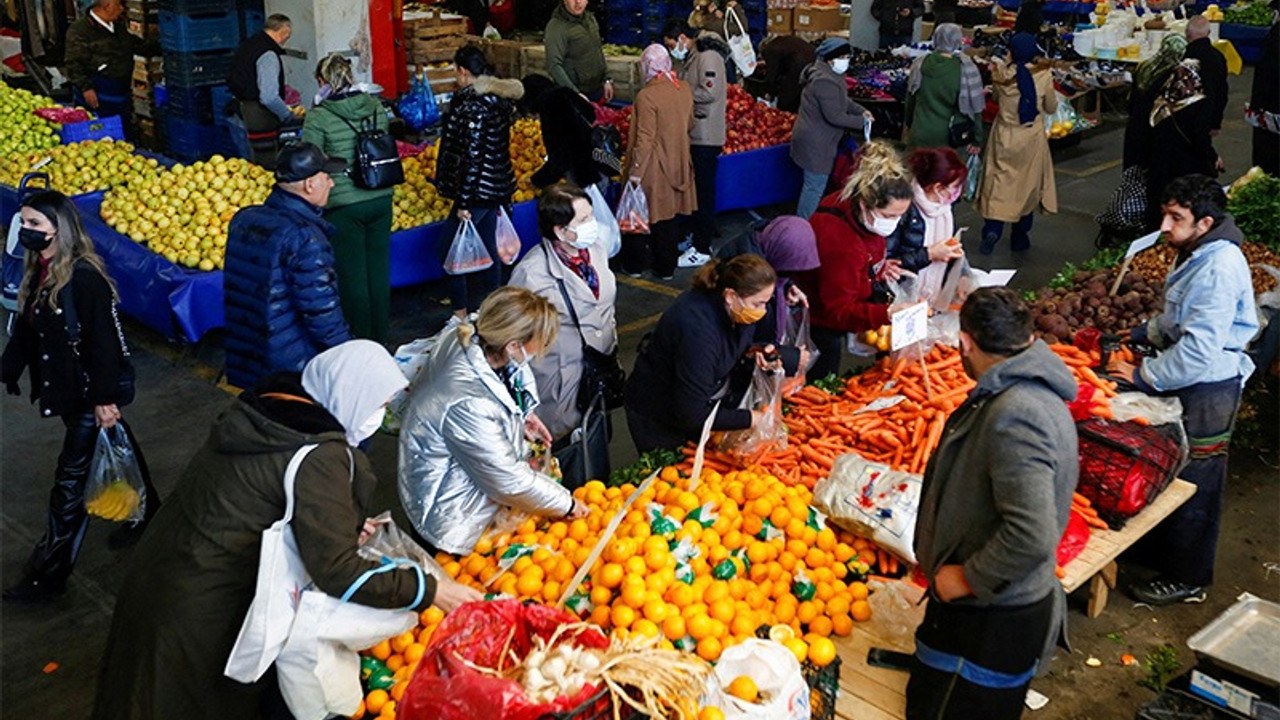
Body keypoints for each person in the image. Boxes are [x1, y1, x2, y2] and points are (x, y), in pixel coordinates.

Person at [91, 340, 480, 720]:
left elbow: (262, 495)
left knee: (139, 689)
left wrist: (338, 522)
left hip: (163, 569)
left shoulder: (270, 414)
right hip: (205, 603)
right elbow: (337, 571)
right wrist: (430, 590)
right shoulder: (321, 456)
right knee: (182, 698)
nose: (378, 416)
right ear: (351, 394)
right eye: (378, 404)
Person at [908, 287, 1078, 720]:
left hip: (989, 617)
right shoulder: (1024, 390)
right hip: (982, 609)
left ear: (965, 342)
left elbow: (1032, 532)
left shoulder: (1016, 412)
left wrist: (966, 578)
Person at [1, 190, 161, 603]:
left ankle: (48, 575)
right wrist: (9, 368)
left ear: (60, 229)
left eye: (35, 223)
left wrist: (104, 401)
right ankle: (152, 514)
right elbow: (26, 326)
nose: (27, 231)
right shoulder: (41, 269)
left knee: (68, 487)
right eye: (24, 223)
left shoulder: (85, 280)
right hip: (72, 391)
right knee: (118, 444)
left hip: (90, 395)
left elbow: (105, 346)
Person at [1107, 175, 1258, 606]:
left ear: (1205, 222)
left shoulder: (1218, 267)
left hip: (1210, 387)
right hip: (1192, 377)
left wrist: (1142, 376)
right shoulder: (1195, 250)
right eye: (1165, 214)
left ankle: (1187, 577)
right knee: (1169, 470)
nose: (1165, 225)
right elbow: (1180, 320)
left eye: (1177, 217)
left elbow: (1197, 349)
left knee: (1197, 481)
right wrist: (1145, 331)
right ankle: (1158, 551)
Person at [399, 286, 587, 555]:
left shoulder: (468, 336)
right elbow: (507, 479)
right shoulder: (470, 402)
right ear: (512, 345)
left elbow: (504, 383)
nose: (541, 349)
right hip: (450, 514)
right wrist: (566, 504)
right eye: (539, 343)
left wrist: (522, 416)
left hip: (449, 477)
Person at [625, 254, 789, 453]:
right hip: (659, 411)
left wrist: (756, 351)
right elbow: (693, 414)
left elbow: (737, 342)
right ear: (730, 296)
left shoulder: (735, 309)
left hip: (695, 400)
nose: (763, 311)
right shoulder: (698, 331)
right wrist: (752, 418)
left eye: (766, 302)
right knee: (670, 472)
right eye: (758, 304)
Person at [224, 143, 353, 391]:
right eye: (327, 177)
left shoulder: (244, 218)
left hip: (248, 352)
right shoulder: (305, 237)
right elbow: (321, 311)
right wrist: (347, 354)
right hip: (290, 363)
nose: (332, 184)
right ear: (309, 184)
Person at [509, 183, 618, 443]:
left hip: (598, 376)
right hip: (558, 388)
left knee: (597, 447)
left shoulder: (596, 251)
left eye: (590, 215)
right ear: (561, 230)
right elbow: (513, 344)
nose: (593, 223)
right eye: (584, 219)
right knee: (566, 459)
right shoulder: (531, 275)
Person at [796, 140, 914, 379]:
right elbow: (837, 311)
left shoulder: (855, 205)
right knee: (821, 378)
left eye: (900, 216)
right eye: (889, 215)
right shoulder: (841, 243)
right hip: (818, 320)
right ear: (865, 204)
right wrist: (887, 314)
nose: (894, 223)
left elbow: (865, 255)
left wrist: (876, 269)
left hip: (838, 297)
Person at [302, 53, 395, 343]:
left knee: (353, 277)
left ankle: (360, 341)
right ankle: (382, 339)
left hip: (343, 203)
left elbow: (310, 159)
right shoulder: (375, 106)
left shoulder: (319, 116)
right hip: (380, 194)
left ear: (323, 82)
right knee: (378, 273)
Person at [436, 44, 524, 316]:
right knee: (489, 249)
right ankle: (494, 308)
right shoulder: (497, 102)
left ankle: (460, 311)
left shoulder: (473, 107)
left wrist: (463, 201)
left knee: (451, 252)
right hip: (495, 188)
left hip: (477, 192)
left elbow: (471, 159)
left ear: (463, 71)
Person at [619, 44, 696, 280]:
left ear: (647, 67)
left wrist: (635, 172)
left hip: (653, 167)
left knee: (638, 216)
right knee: (668, 219)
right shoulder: (683, 89)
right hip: (679, 163)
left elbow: (645, 138)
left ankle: (635, 266)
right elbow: (690, 124)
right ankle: (666, 268)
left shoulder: (646, 96)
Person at [976, 33, 1057, 254]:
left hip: (1004, 134)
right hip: (1030, 136)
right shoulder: (1043, 75)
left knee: (998, 183)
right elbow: (1050, 106)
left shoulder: (1001, 75)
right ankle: (1019, 237)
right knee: (1027, 186)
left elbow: (995, 100)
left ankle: (992, 229)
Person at [663, 20, 728, 267]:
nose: (672, 50)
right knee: (695, 190)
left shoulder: (708, 57)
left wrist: (679, 93)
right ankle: (693, 235)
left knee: (703, 191)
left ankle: (702, 246)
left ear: (681, 37)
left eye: (671, 45)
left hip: (706, 136)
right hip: (696, 133)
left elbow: (710, 92)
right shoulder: (694, 56)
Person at [715, 215, 820, 364]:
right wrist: (786, 356)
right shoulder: (743, 275)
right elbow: (736, 346)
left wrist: (787, 285)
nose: (763, 309)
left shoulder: (764, 255)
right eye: (786, 270)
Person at [791, 38, 872, 219]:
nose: (846, 61)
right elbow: (835, 116)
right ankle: (804, 224)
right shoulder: (825, 81)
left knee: (812, 183)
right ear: (830, 59)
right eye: (842, 57)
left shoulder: (829, 75)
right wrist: (862, 122)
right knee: (814, 187)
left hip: (814, 138)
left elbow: (843, 101)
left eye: (847, 57)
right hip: (817, 143)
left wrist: (862, 111)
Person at [888, 147, 968, 304]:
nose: (958, 193)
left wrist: (961, 274)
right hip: (902, 298)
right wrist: (929, 254)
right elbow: (888, 264)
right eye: (956, 187)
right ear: (938, 187)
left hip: (932, 300)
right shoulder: (902, 209)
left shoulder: (944, 210)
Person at [1146, 61, 1222, 214]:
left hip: (1160, 166)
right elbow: (1200, 139)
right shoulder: (1198, 104)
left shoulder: (1161, 103)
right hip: (1187, 167)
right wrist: (1213, 157)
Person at [62, 0, 145, 132]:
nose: (122, 9)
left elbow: (133, 44)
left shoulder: (118, 26)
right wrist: (86, 88)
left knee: (123, 131)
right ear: (107, 5)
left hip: (121, 94)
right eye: (118, 5)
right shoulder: (80, 30)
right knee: (101, 131)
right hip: (99, 95)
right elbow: (73, 62)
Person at [227, 14, 295, 169]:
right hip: (258, 116)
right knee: (265, 166)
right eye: (288, 35)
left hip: (240, 108)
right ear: (284, 32)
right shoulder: (268, 54)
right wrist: (287, 115)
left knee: (250, 164)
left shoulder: (249, 44)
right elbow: (269, 97)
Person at [903, 23, 985, 153]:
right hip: (951, 138)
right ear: (958, 41)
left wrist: (909, 126)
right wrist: (977, 139)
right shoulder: (967, 69)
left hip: (919, 133)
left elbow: (910, 101)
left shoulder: (919, 64)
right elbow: (975, 107)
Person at [528, 82, 605, 190]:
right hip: (601, 163)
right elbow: (590, 113)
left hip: (582, 178)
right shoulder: (565, 92)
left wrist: (537, 181)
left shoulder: (549, 110)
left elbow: (559, 161)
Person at [544, 0, 612, 102]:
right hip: (575, 95)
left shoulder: (590, 19)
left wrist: (606, 79)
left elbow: (597, 50)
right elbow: (553, 65)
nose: (578, 2)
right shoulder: (556, 27)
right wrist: (575, 94)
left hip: (597, 90)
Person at [1184, 15, 1228, 135]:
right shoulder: (1218, 57)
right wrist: (1216, 122)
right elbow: (1221, 92)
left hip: (1184, 120)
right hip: (1207, 118)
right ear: (1208, 32)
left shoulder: (1184, 57)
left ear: (1187, 33)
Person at [1248, 5, 1278, 174]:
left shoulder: (1272, 39)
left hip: (1271, 108)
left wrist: (1257, 105)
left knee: (1269, 153)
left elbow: (1265, 74)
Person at [760, 35, 817, 113]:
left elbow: (772, 73)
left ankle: (785, 114)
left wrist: (768, 91)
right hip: (815, 60)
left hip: (799, 65)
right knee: (802, 92)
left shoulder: (770, 49)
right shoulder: (784, 41)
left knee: (788, 95)